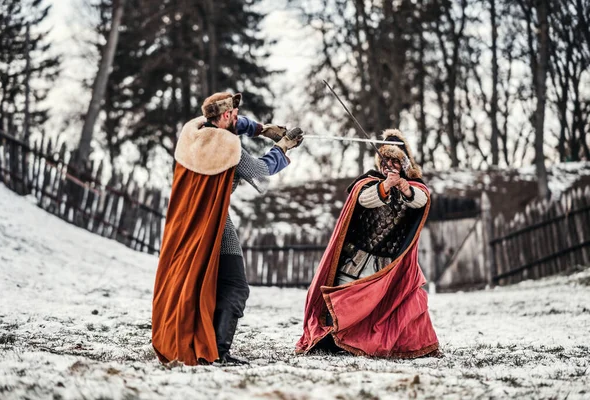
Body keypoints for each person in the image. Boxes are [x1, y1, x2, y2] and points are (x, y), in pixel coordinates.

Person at [152, 92, 303, 366]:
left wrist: (261, 129)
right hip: (213, 222)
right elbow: (258, 170)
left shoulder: (192, 131)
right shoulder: (225, 145)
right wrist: (282, 148)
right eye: (232, 115)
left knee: (207, 283)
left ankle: (209, 341)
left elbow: (234, 123)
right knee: (235, 286)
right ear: (224, 116)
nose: (236, 119)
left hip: (186, 220)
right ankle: (218, 351)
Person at [296, 129, 440, 359]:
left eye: (395, 161)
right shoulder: (368, 182)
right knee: (346, 296)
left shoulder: (413, 186)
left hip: (387, 261)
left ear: (404, 163)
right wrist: (385, 186)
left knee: (390, 303)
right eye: (386, 160)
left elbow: (421, 200)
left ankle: (374, 343)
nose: (389, 165)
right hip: (358, 255)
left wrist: (402, 186)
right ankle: (334, 338)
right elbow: (364, 198)